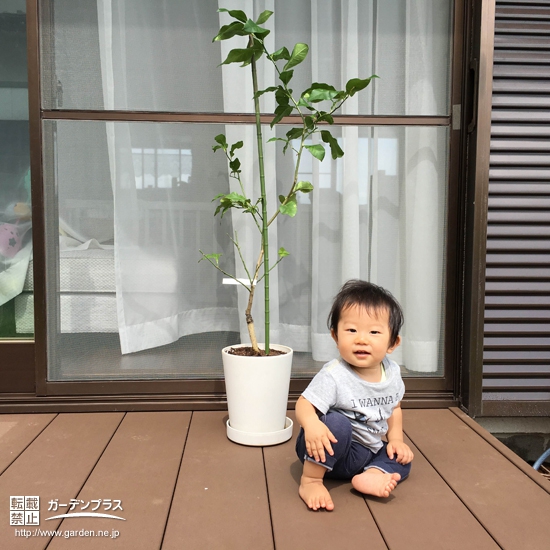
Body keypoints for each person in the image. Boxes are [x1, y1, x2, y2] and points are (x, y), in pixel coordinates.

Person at [296, 280, 414, 510]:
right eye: (351, 330)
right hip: (325, 449)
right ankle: (310, 481)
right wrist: (312, 425)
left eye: (374, 332)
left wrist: (397, 440)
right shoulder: (334, 374)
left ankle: (371, 475)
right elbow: (303, 404)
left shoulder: (392, 373)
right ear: (335, 336)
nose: (361, 339)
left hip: (365, 452)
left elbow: (395, 408)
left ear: (393, 342)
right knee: (337, 423)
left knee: (403, 458)